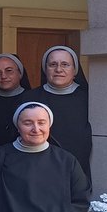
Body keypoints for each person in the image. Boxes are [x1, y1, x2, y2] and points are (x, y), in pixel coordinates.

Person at [25, 45, 92, 182]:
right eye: (53, 64)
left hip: (79, 172)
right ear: (45, 69)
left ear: (75, 70)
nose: (58, 69)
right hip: (37, 171)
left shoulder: (89, 98)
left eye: (65, 64)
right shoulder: (29, 98)